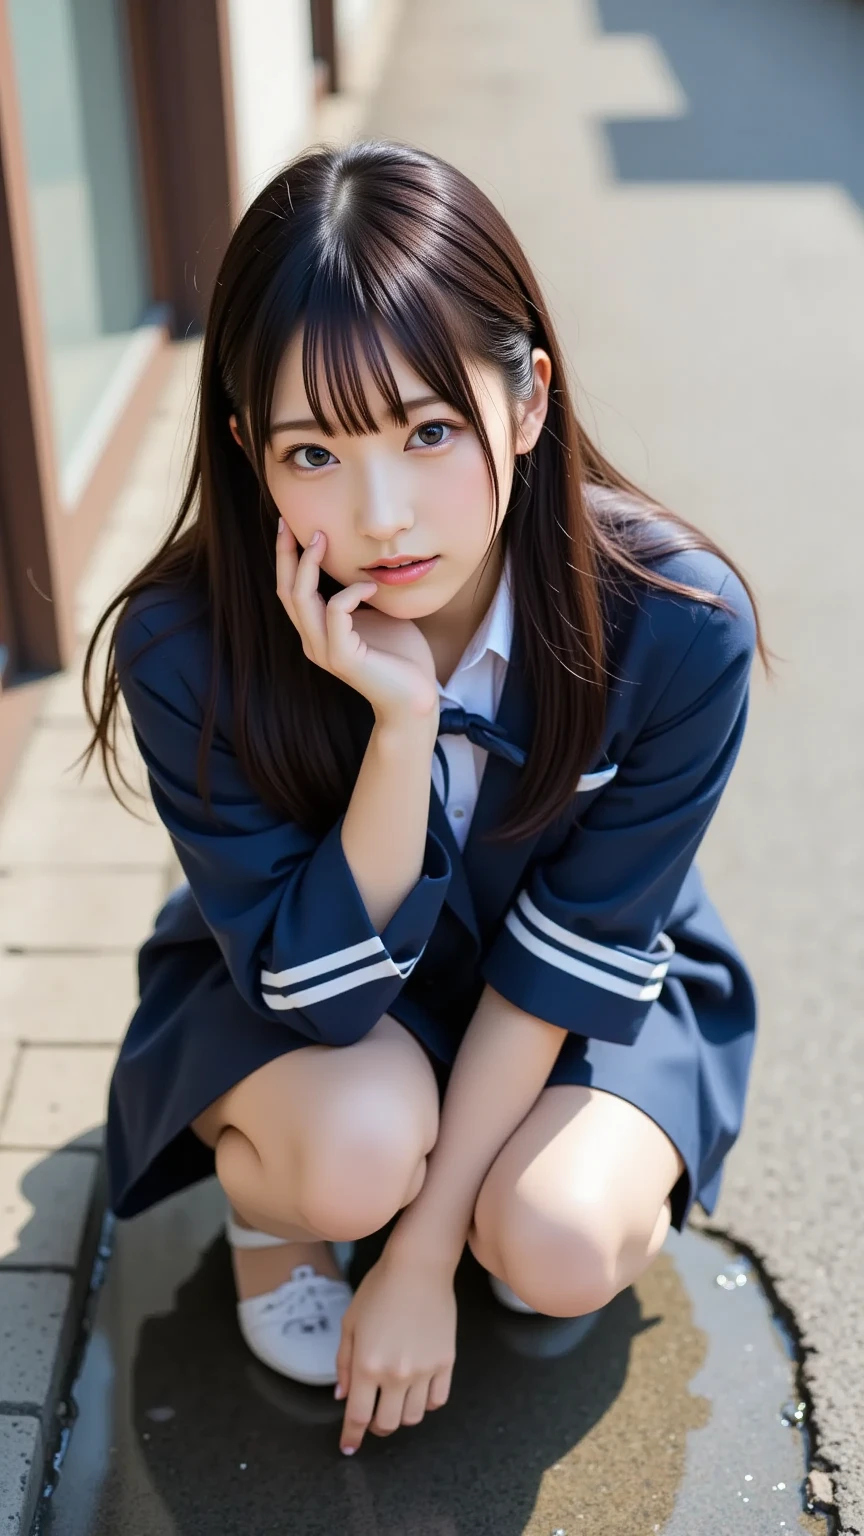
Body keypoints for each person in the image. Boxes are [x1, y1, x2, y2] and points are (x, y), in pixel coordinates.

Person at [81, 139, 766, 1458]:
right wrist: (398, 729)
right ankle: (280, 1211)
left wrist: (425, 1250)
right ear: (249, 452)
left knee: (553, 1245)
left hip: (578, 987)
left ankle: (455, 1194)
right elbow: (315, 993)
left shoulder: (678, 626)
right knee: (351, 1150)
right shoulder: (186, 646)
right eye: (314, 452)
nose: (385, 515)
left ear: (528, 402)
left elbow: (579, 954)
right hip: (298, 993)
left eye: (430, 429)